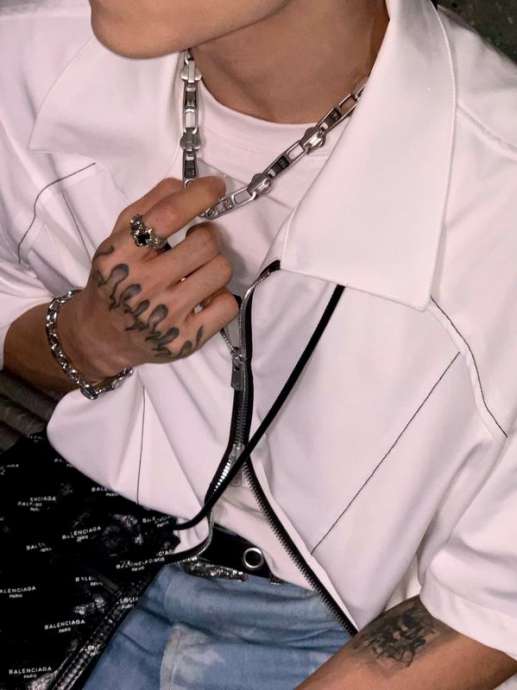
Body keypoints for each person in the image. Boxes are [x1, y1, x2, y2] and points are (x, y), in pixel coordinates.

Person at [1, 0, 517, 687]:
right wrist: (90, 337)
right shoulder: (28, 57)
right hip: (76, 543)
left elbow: (491, 606)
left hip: (343, 636)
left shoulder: (496, 190)